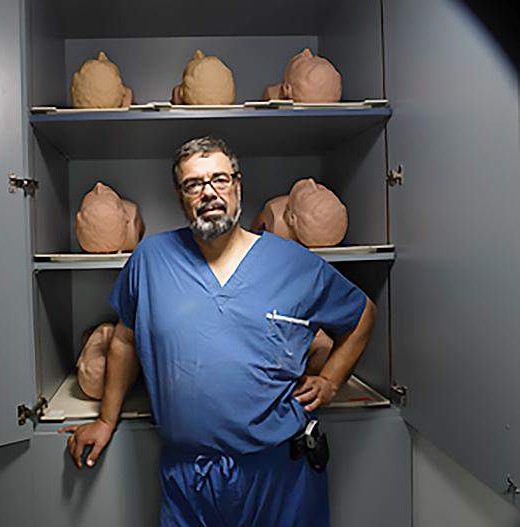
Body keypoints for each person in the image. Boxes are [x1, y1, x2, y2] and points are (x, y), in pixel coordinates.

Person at [60, 136, 377, 526]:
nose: (209, 192)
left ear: (238, 185)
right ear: (180, 197)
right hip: (188, 477)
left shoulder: (293, 263)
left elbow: (362, 314)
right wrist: (106, 421)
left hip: (279, 473)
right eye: (194, 184)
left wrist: (330, 380)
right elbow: (124, 340)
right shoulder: (151, 260)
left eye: (220, 179)